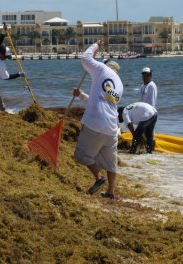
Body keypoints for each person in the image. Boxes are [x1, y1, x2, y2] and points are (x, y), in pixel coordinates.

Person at [74, 40, 124, 200]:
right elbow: (99, 102)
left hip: (95, 123)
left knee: (82, 155)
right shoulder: (119, 85)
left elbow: (85, 58)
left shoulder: (103, 70)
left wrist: (96, 45)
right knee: (111, 162)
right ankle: (111, 191)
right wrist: (81, 96)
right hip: (111, 128)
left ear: (106, 66)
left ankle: (98, 178)